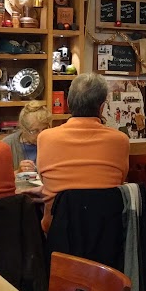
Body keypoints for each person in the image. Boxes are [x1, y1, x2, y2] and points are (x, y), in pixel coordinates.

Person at [32, 73, 129, 233]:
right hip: (106, 235)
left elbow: (45, 181)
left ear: (69, 103)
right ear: (102, 107)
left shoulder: (45, 138)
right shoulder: (120, 140)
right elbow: (120, 179)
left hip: (58, 234)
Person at [1, 101, 49, 172]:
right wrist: (19, 172)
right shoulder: (7, 145)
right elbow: (0, 178)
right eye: (35, 131)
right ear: (23, 129)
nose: (40, 135)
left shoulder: (53, 142)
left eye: (45, 129)